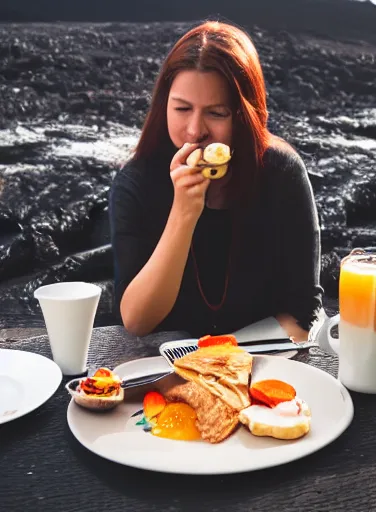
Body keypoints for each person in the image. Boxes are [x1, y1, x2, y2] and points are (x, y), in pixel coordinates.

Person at [108, 20, 323, 341]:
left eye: (216, 113)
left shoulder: (281, 172)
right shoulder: (135, 182)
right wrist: (184, 213)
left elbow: (303, 310)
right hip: (164, 363)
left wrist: (222, 359)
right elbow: (137, 321)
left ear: (244, 115)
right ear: (162, 105)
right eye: (181, 108)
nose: (195, 131)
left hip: (264, 361)